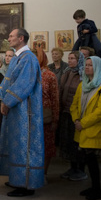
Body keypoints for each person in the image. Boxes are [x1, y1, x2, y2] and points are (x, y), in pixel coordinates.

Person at [0, 28, 45, 197]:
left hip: (26, 110)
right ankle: (17, 178)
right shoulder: (18, 57)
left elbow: (24, 84)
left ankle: (26, 185)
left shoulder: (28, 58)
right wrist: (2, 99)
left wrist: (7, 101)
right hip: (16, 108)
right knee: (15, 144)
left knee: (25, 146)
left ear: (21, 38)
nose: (8, 38)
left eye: (11, 36)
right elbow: (8, 80)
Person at [70, 56, 101, 200]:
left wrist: (83, 123)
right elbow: (75, 104)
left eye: (91, 65)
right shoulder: (83, 84)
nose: (87, 67)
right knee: (88, 160)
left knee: (93, 161)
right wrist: (76, 119)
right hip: (82, 127)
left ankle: (97, 189)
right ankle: (93, 187)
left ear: (99, 67)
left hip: (94, 129)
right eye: (87, 65)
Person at [58, 51, 87, 181]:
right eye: (68, 58)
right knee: (68, 141)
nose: (69, 61)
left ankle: (81, 170)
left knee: (78, 143)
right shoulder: (67, 72)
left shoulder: (83, 74)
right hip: (66, 111)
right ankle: (72, 167)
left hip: (78, 114)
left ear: (79, 60)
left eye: (72, 58)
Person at [36, 46, 59, 177]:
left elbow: (55, 98)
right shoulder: (29, 73)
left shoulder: (50, 75)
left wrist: (55, 119)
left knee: (47, 145)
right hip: (30, 116)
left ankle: (43, 174)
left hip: (45, 116)